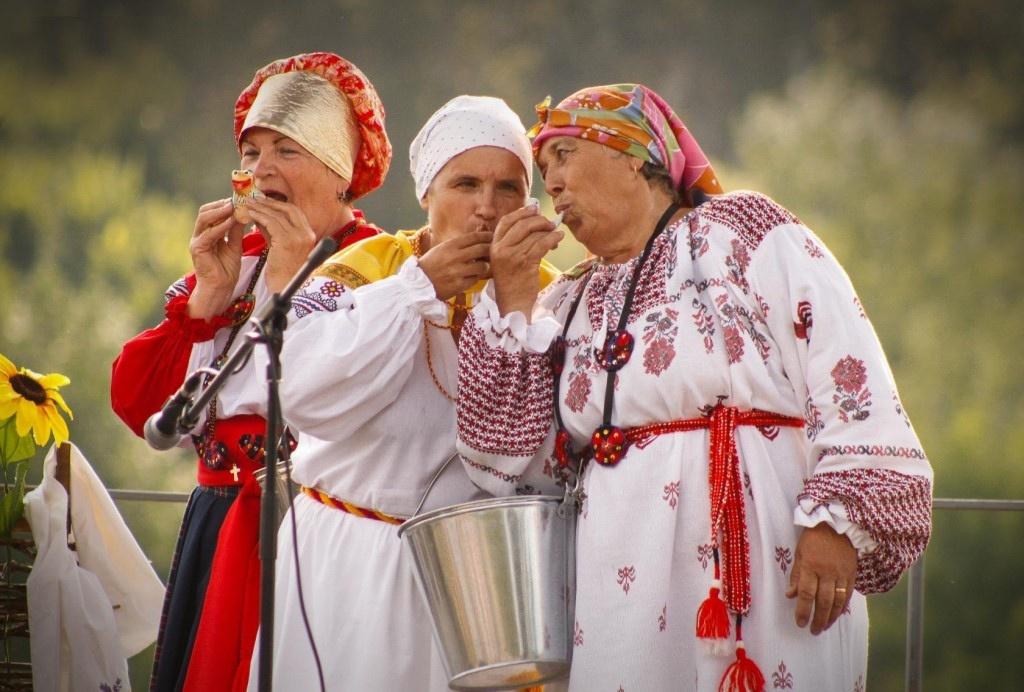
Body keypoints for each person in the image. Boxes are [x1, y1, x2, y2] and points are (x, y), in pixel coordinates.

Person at [455, 84, 933, 691]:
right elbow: (502, 464)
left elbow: (847, 368)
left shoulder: (742, 233)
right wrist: (514, 301)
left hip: (763, 560)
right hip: (614, 580)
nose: (551, 183)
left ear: (633, 154)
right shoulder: (568, 298)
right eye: (544, 169)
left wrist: (837, 522)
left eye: (566, 156)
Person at [245, 94, 560, 690]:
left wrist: (517, 303)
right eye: (465, 184)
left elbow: (543, 456)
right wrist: (416, 290)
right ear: (427, 194)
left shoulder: (551, 293)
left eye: (509, 188)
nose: (487, 208)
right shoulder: (367, 267)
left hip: (480, 577)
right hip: (350, 559)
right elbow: (305, 393)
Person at [110, 51, 391, 692]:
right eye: (251, 152)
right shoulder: (236, 266)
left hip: (310, 527)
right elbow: (141, 409)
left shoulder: (379, 268)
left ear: (340, 171)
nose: (260, 170)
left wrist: (296, 275)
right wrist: (206, 300)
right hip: (216, 524)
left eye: (286, 151)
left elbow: (351, 402)